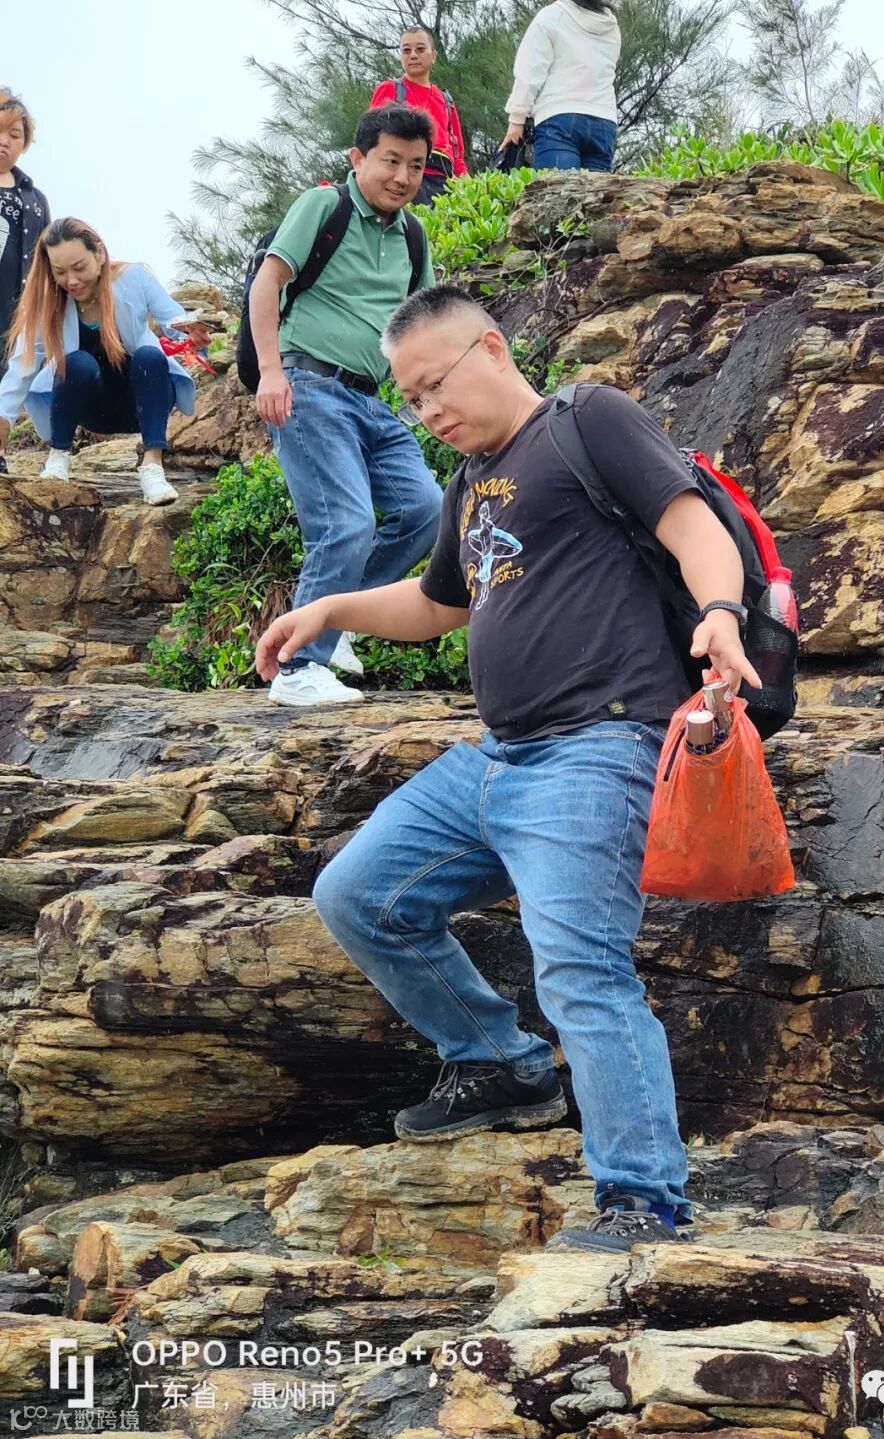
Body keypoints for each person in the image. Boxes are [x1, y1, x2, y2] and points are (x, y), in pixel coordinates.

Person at [255, 284, 762, 1253]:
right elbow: (440, 604)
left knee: (581, 969)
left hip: (600, 747)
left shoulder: (587, 418)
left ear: (490, 348)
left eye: (435, 384)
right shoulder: (471, 478)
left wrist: (720, 614)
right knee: (360, 893)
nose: (426, 410)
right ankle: (498, 1061)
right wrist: (329, 610)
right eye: (410, 397)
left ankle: (644, 1202)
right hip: (498, 758)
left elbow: (691, 522)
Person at [250, 104, 444, 707]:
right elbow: (266, 283)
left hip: (371, 401)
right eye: (391, 160)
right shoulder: (323, 206)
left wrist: (428, 397)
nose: (403, 177)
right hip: (308, 387)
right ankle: (296, 668)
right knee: (346, 524)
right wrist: (271, 372)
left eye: (416, 165)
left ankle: (335, 620)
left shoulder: (414, 235)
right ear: (358, 158)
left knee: (429, 510)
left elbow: (420, 328)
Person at [0, 218, 207, 505]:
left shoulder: (135, 279)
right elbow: (22, 366)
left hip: (142, 404)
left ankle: (152, 468)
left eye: (79, 267)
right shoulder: (48, 301)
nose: (72, 281)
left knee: (149, 355)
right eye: (60, 272)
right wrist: (3, 418)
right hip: (89, 409)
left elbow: (175, 320)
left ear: (98, 254)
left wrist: (192, 333)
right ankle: (58, 460)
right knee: (76, 362)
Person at [500, 0, 621, 173]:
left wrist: (517, 118)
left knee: (558, 189)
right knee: (597, 191)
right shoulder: (611, 27)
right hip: (603, 123)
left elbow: (530, 70)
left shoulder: (552, 16)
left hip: (559, 119)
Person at [370, 26, 468, 206]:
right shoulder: (390, 90)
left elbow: (457, 152)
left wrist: (465, 184)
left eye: (420, 49)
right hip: (404, 178)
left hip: (444, 181)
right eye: (406, 50)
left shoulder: (446, 100)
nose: (413, 55)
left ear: (433, 56)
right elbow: (370, 139)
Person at [0, 89, 49, 380]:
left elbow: (48, 259)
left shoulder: (36, 200)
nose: (4, 140)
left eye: (14, 134)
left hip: (19, 320)